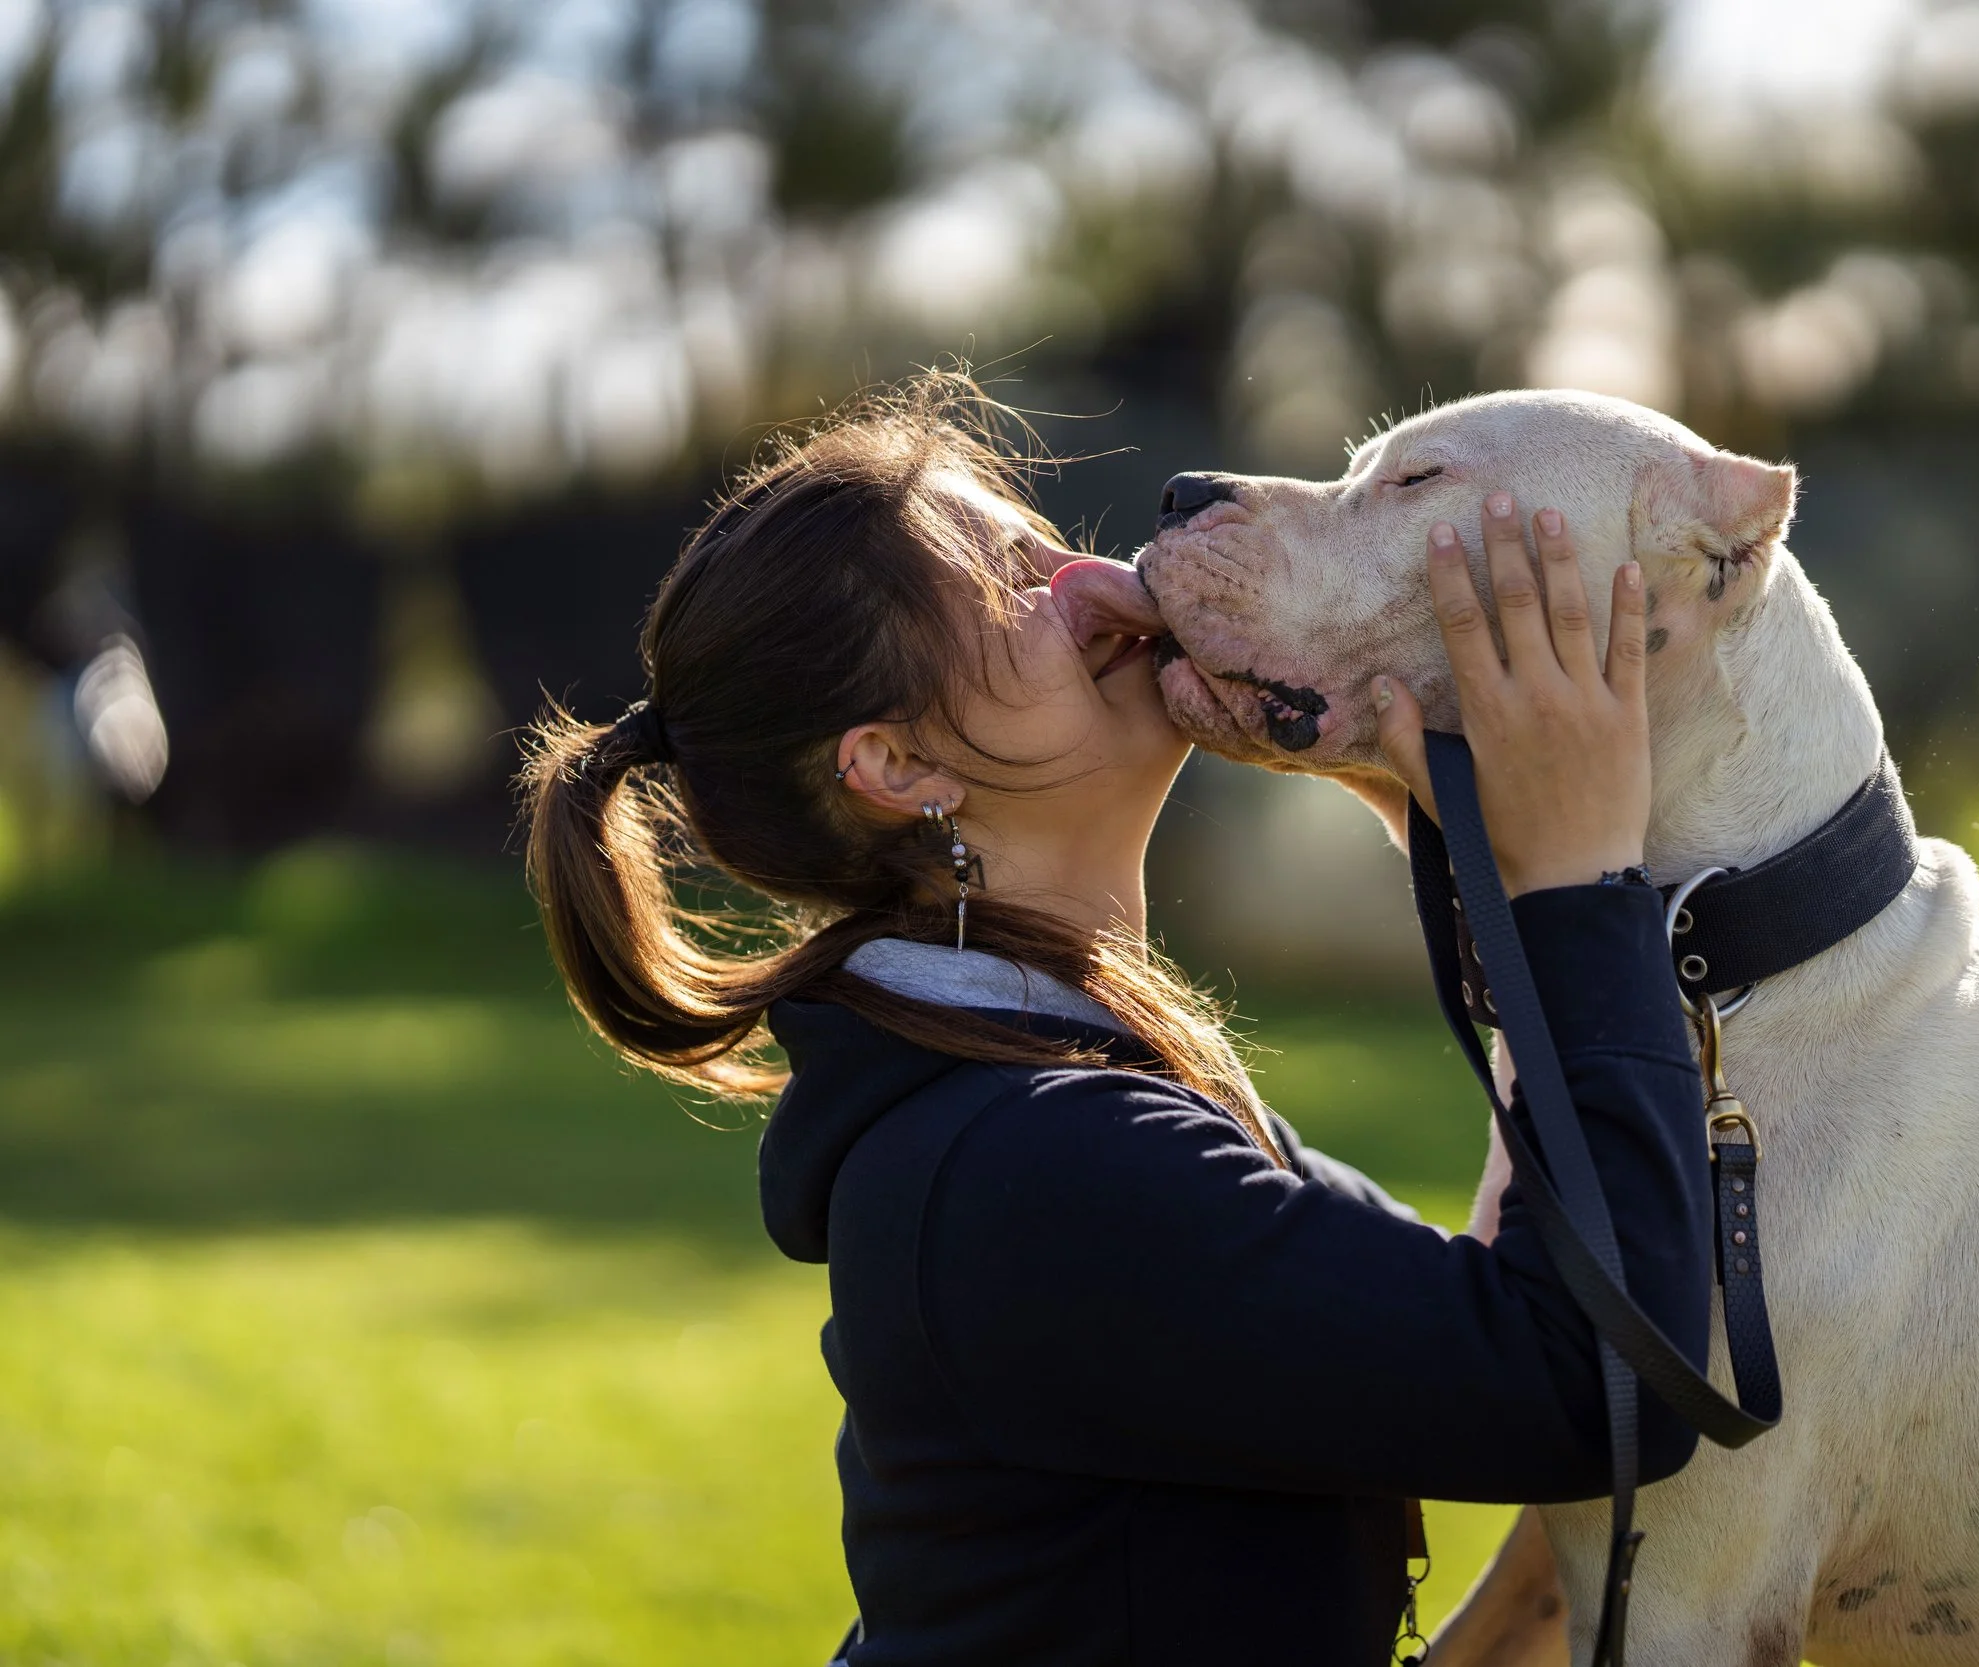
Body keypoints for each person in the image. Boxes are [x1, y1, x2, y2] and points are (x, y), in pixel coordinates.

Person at [519, 375, 1713, 1666]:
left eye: (1047, 543)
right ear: (898, 769)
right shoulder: (1030, 1165)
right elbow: (1591, 1382)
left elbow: (1491, 1298)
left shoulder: (1043, 1093)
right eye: (1014, 592)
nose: (1099, 580)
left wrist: (1480, 838)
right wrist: (1574, 890)